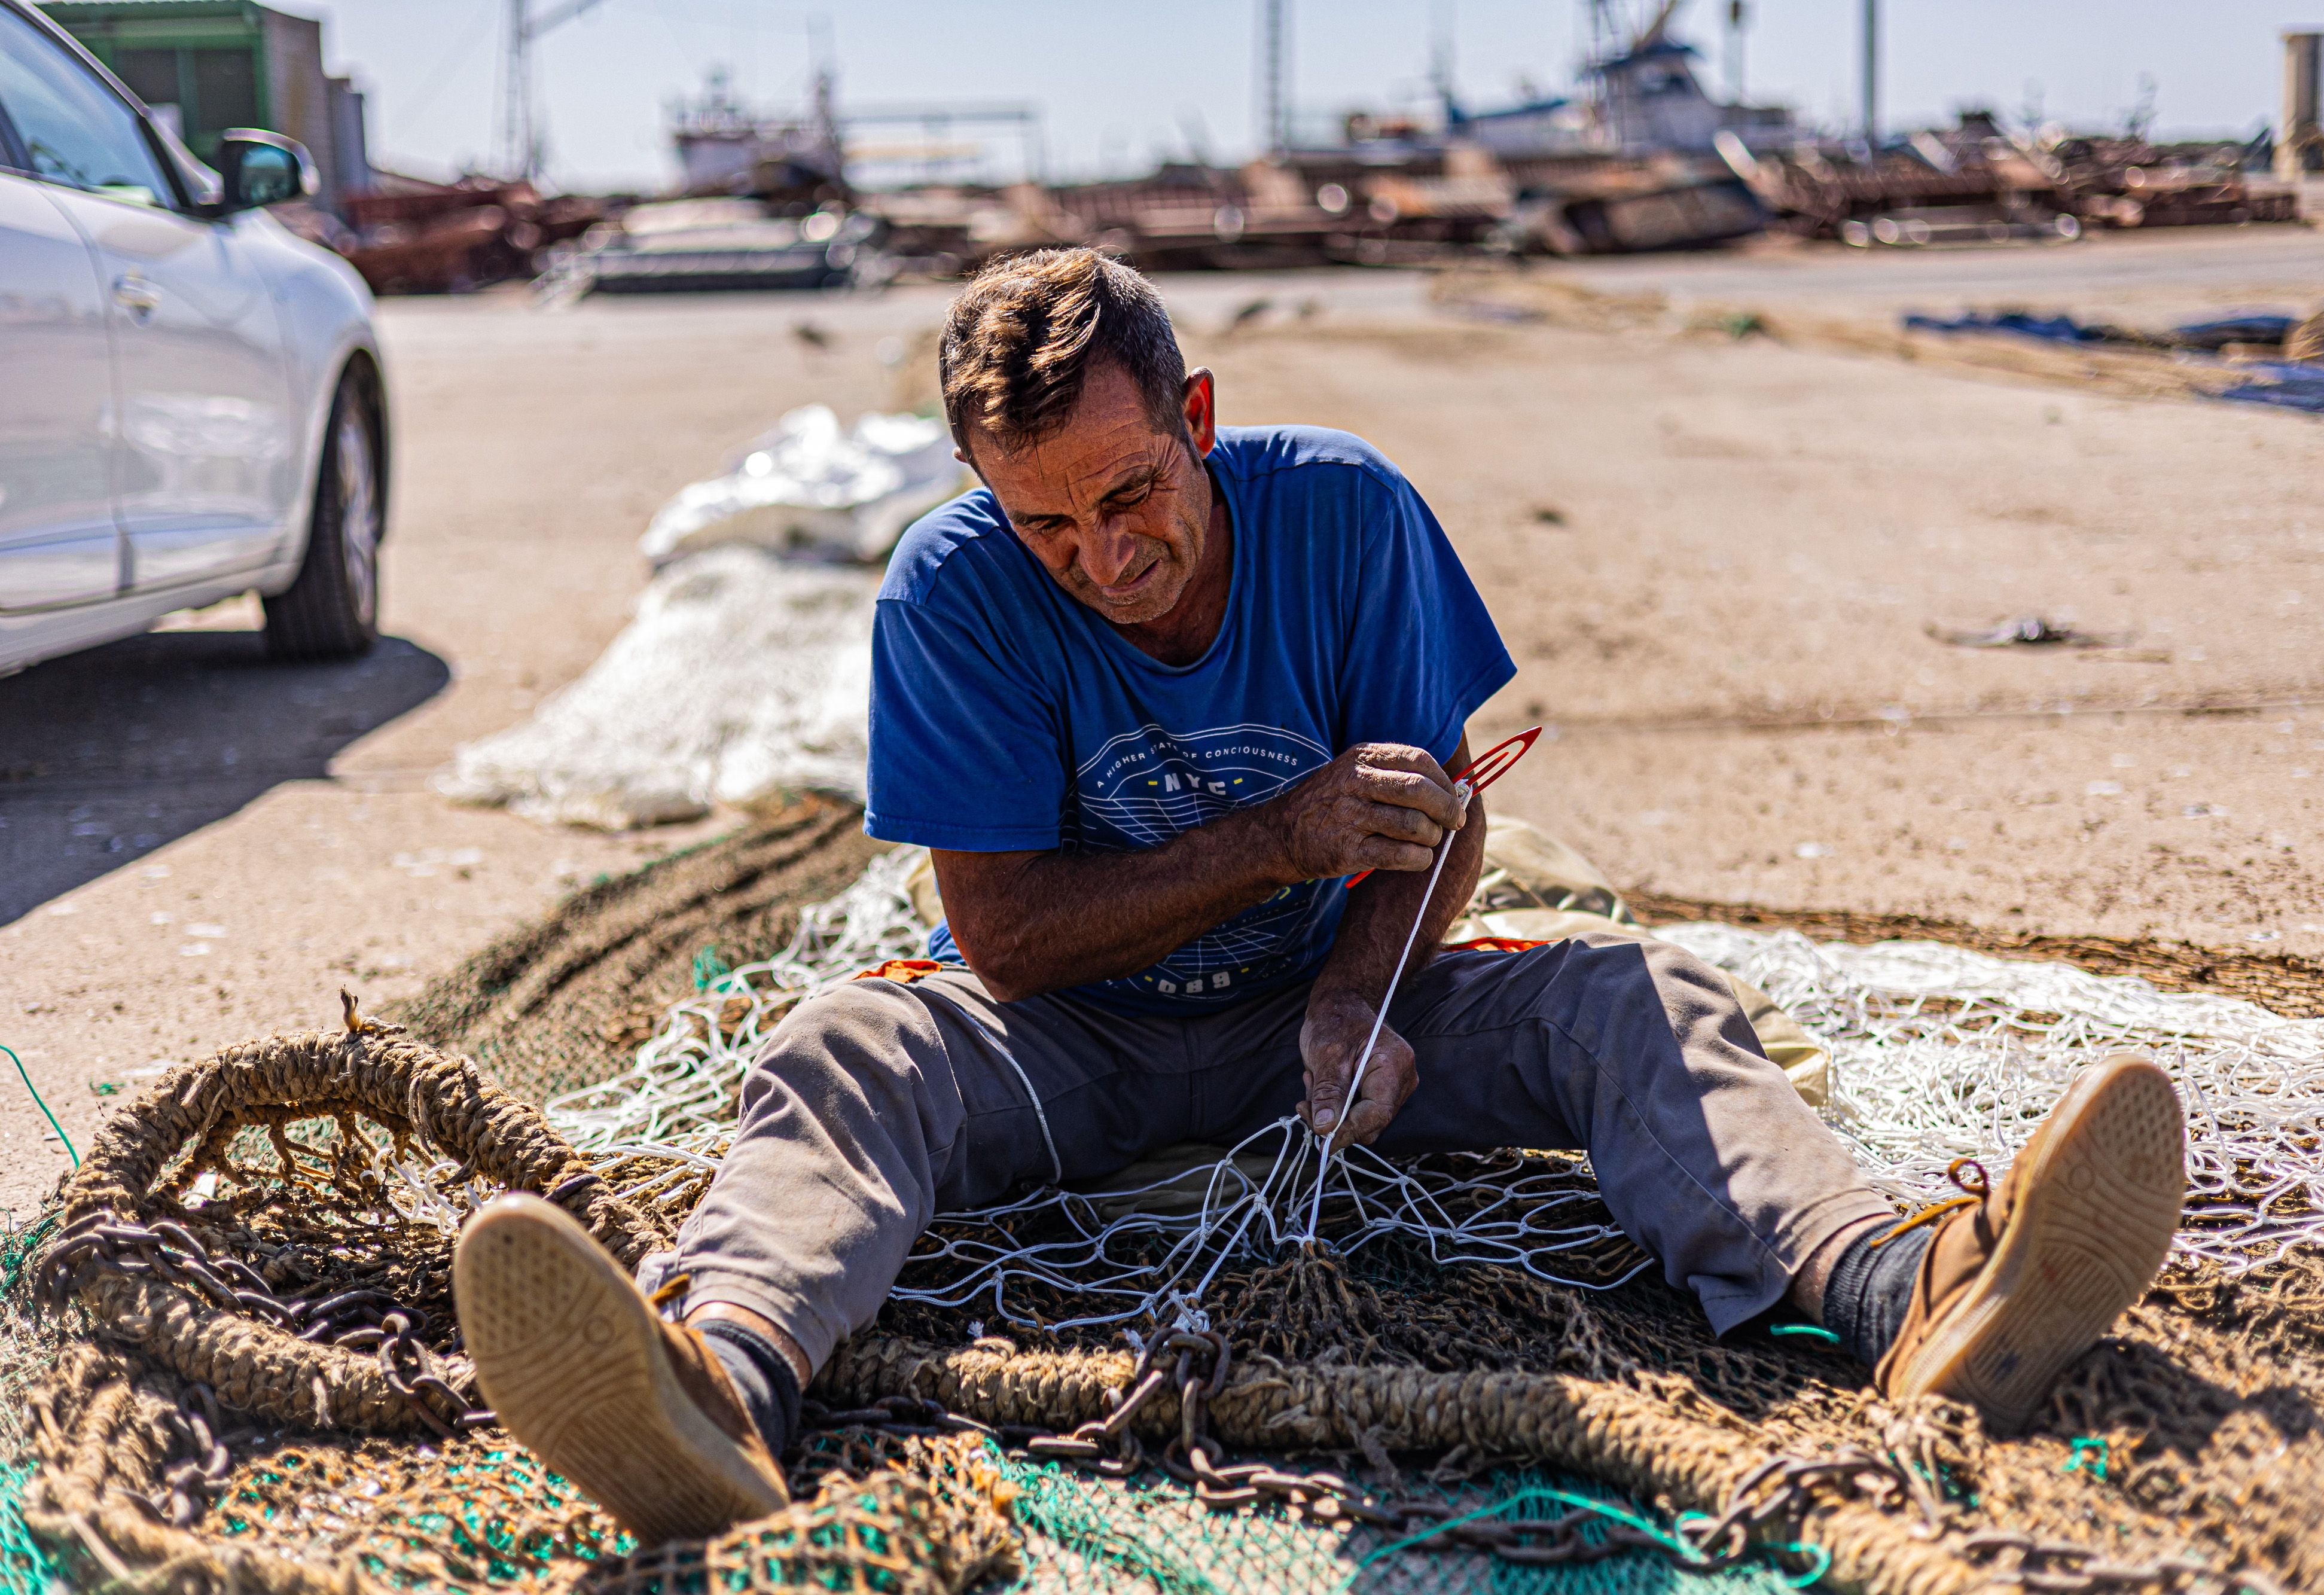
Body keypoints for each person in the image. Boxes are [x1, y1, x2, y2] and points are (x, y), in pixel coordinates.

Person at [452, 249, 2188, 1545]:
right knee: (845, 1048)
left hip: (1329, 1021)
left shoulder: (1348, 513)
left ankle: (1908, 1290)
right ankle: (720, 1385)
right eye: (1046, 525)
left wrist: (1360, 1000)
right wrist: (1276, 836)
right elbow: (1004, 942)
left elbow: (1438, 823)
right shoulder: (948, 593)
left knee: (1631, 997)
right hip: (1072, 1044)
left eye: (1131, 492)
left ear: (1199, 421)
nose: (1102, 558)